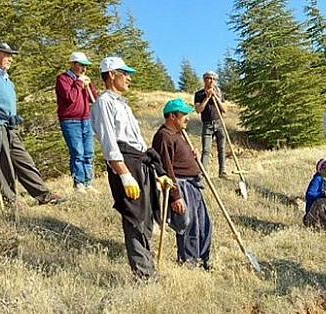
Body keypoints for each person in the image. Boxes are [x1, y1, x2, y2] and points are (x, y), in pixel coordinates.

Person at [91, 56, 172, 281]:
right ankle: (144, 275)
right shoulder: (103, 103)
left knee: (145, 218)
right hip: (125, 163)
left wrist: (158, 174)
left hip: (140, 162)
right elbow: (109, 142)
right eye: (124, 73)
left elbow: (137, 140)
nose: (128, 78)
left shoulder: (122, 104)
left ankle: (149, 268)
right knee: (134, 218)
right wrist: (124, 174)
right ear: (110, 75)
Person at [0, 41, 66, 208]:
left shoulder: (6, 79)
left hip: (9, 126)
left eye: (11, 56)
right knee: (3, 163)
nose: (10, 59)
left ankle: (43, 195)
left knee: (24, 160)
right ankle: (10, 201)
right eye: (6, 54)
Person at [152, 98, 212, 270]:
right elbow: (166, 168)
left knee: (203, 223)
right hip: (180, 185)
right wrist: (175, 196)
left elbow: (179, 158)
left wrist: (193, 156)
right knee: (189, 225)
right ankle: (189, 263)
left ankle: (203, 258)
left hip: (192, 184)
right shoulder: (163, 137)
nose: (187, 118)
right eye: (184, 114)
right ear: (172, 116)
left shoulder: (178, 134)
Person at [55, 51, 100, 193]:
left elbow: (94, 99)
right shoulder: (62, 79)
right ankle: (78, 183)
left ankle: (88, 182)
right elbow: (71, 98)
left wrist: (89, 85)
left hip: (85, 120)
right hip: (70, 121)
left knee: (88, 152)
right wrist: (79, 83)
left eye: (85, 66)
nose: (84, 69)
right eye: (81, 65)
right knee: (77, 152)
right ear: (73, 64)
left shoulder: (84, 80)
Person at [194, 71, 228, 178]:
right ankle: (203, 173)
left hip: (219, 123)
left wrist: (216, 97)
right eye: (209, 78)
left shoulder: (219, 92)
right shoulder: (199, 94)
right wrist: (207, 98)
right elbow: (198, 110)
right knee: (206, 150)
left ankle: (222, 172)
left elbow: (225, 110)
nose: (212, 81)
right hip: (207, 125)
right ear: (204, 80)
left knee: (222, 148)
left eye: (214, 79)